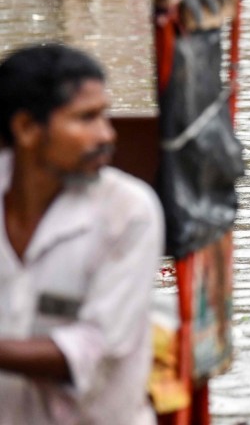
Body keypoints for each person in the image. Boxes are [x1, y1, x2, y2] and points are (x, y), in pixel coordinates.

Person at [0, 44, 164, 425]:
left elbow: (96, 348)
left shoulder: (129, 211)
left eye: (103, 116)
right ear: (26, 129)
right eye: (86, 118)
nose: (106, 134)